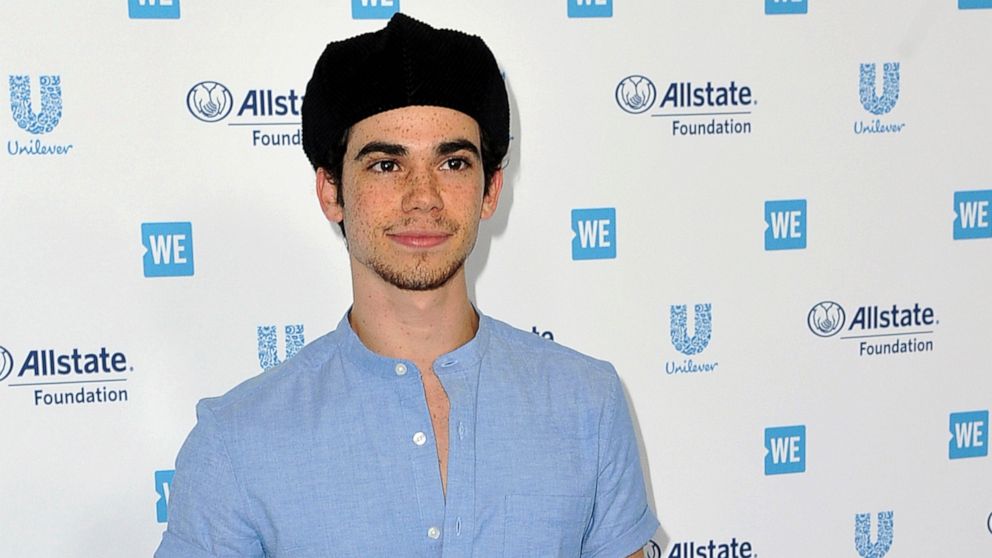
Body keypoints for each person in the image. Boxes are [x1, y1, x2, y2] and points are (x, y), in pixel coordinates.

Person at [155, 13, 659, 558]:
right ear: (331, 191)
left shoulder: (588, 403)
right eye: (386, 165)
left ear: (490, 190)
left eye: (453, 161)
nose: (424, 196)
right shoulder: (237, 442)